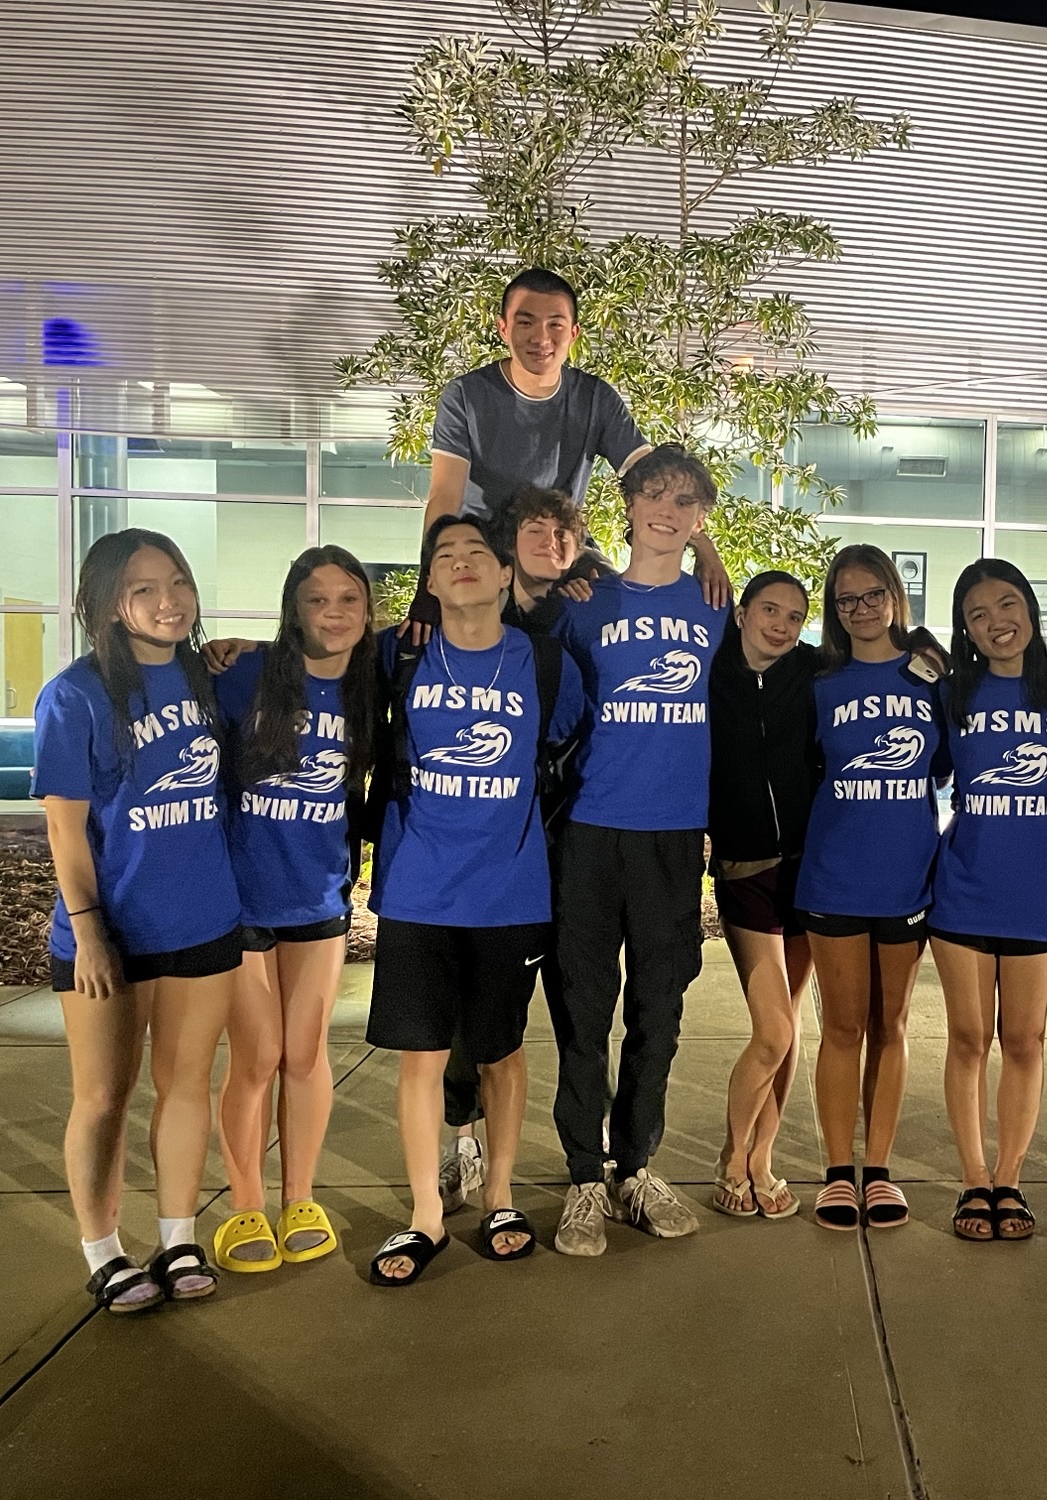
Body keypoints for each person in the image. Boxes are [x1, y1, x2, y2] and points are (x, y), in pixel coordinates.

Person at [362, 515, 584, 1286]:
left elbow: (566, 748)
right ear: (429, 581)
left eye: (476, 554)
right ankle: (425, 1213)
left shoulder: (545, 662)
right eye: (444, 555)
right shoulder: (400, 654)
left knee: (501, 1050)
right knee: (422, 1059)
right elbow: (313, 661)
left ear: (502, 577)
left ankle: (498, 1196)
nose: (460, 563)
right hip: (418, 891)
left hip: (510, 890)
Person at [33, 528, 243, 1313]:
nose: (169, 601)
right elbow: (64, 826)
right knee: (103, 1097)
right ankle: (103, 1250)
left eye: (178, 582)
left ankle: (179, 1234)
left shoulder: (209, 680)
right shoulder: (75, 694)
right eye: (144, 589)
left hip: (204, 921)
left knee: (187, 1086)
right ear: (108, 604)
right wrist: (88, 929)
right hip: (112, 932)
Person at [551, 444, 728, 1255]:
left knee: (659, 1011)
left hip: (670, 835)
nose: (668, 509)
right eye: (654, 493)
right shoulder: (582, 600)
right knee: (583, 1011)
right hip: (588, 830)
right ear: (627, 505)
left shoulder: (717, 603)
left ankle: (636, 1167)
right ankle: (585, 1174)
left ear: (700, 519)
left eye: (686, 501)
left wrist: (712, 557)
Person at [435, 484, 617, 1218]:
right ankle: (462, 1138)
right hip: (482, 846)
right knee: (466, 1015)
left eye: (563, 530)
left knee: (582, 1008)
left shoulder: (590, 608)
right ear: (505, 548)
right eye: (533, 529)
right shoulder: (466, 617)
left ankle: (589, 1161)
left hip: (570, 838)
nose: (550, 540)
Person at [211, 546, 380, 1274]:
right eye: (317, 600)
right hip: (241, 897)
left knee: (306, 1054)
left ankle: (299, 1197)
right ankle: (246, 1202)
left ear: (367, 612)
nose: (334, 613)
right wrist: (234, 645)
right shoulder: (247, 676)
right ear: (293, 609)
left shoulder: (376, 682)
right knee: (259, 1055)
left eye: (349, 599)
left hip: (319, 895)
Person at [798, 544, 950, 1232]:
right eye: (845, 600)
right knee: (842, 1025)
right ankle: (837, 1172)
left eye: (871, 595)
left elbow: (948, 766)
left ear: (894, 595)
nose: (860, 610)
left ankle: (878, 1170)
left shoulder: (931, 678)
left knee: (891, 1026)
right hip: (834, 874)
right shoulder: (820, 683)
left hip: (907, 877)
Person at [931, 560, 1047, 1242]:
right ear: (964, 628)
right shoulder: (952, 692)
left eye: (1007, 604)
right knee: (967, 1039)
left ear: (1031, 609)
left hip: (1041, 892)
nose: (995, 622)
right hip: (963, 888)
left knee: (1024, 1040)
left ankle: (1010, 1178)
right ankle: (973, 1178)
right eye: (978, 614)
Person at [707, 571, 822, 1221]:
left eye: (794, 615)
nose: (781, 624)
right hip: (745, 871)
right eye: (769, 610)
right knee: (772, 1029)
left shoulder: (810, 669)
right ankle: (731, 1155)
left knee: (791, 1028)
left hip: (809, 871)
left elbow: (886, 647)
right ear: (743, 612)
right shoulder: (709, 667)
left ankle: (762, 1160)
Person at [424, 267, 652, 535]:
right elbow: (444, 496)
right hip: (486, 547)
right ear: (503, 328)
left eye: (555, 324)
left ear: (573, 333)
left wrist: (702, 544)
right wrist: (433, 568)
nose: (542, 338)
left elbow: (652, 477)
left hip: (560, 546)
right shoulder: (465, 395)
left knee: (609, 577)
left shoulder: (595, 398)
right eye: (525, 322)